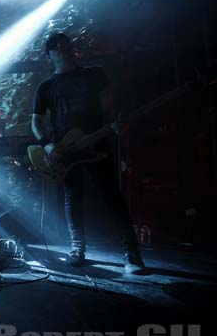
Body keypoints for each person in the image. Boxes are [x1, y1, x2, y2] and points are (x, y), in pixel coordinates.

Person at [31, 32, 145, 275]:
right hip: (65, 151)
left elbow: (110, 108)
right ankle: (77, 249)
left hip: (96, 145)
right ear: (49, 54)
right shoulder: (46, 86)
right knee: (73, 198)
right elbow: (36, 122)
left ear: (73, 49)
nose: (61, 49)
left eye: (64, 45)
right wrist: (47, 145)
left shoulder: (94, 74)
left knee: (113, 196)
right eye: (55, 47)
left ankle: (132, 253)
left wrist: (116, 122)